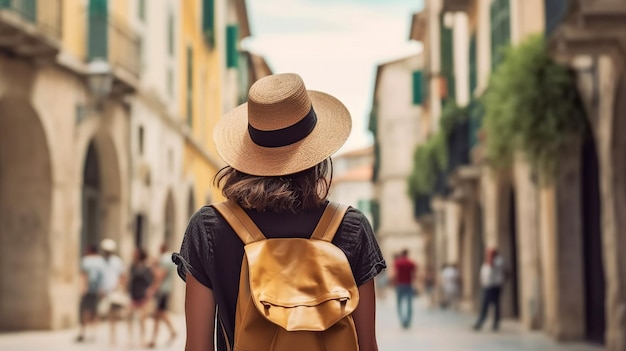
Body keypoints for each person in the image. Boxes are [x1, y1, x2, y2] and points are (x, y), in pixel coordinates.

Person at [173, 73, 386, 351]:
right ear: (317, 150)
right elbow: (366, 345)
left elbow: (197, 347)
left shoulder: (210, 226)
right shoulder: (349, 226)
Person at [147, 244, 178, 348]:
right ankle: (154, 339)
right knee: (159, 314)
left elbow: (160, 276)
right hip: (165, 289)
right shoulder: (168, 259)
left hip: (162, 290)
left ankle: (170, 332)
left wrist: (152, 267)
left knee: (160, 313)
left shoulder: (164, 260)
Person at [99, 238, 127, 346]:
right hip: (105, 291)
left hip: (115, 291)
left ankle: (113, 337)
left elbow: (123, 275)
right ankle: (110, 337)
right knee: (105, 313)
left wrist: (121, 286)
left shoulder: (117, 261)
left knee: (115, 315)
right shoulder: (100, 261)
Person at [75, 245, 105, 343]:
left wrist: (81, 288)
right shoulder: (101, 261)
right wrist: (102, 288)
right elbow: (103, 276)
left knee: (85, 310)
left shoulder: (86, 260)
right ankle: (93, 332)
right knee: (95, 311)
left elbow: (83, 275)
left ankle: (83, 332)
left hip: (87, 289)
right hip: (97, 289)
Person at [473, 248, 505, 331]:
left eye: (489, 253)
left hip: (494, 286)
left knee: (493, 304)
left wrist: (490, 256)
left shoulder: (498, 261)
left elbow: (492, 265)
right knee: (485, 304)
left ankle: (494, 322)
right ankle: (483, 321)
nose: (487, 254)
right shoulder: (486, 262)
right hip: (487, 286)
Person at [127, 247, 153, 347]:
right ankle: (130, 338)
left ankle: (143, 338)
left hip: (143, 295)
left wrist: (149, 292)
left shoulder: (147, 267)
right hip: (133, 294)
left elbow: (150, 281)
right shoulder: (133, 266)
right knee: (129, 316)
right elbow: (130, 279)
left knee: (142, 319)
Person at [392, 249, 417, 329]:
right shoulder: (411, 263)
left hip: (400, 285)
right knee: (409, 304)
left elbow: (395, 274)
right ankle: (408, 321)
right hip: (408, 285)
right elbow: (414, 275)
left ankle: (402, 321)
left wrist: (394, 283)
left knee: (399, 304)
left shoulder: (397, 263)